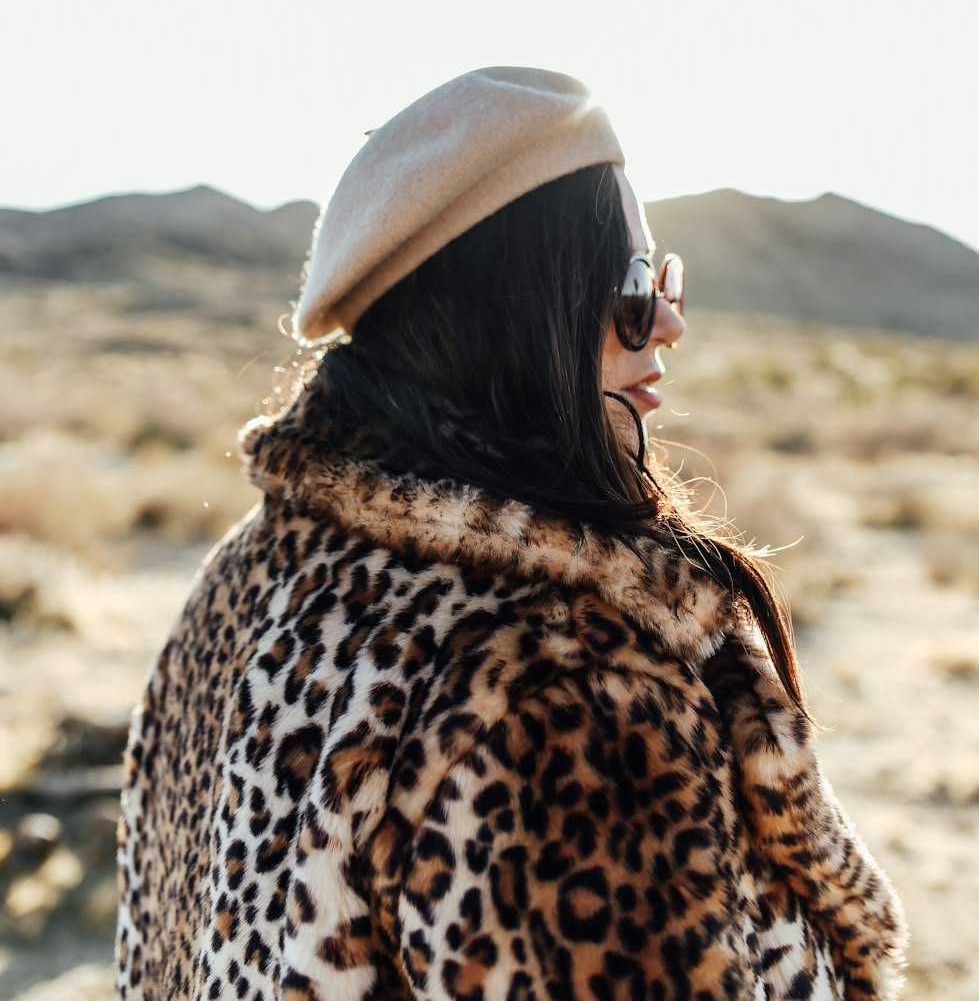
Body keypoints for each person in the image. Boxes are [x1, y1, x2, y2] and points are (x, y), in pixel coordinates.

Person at [116, 67, 906, 1000]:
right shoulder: (566, 687)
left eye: (665, 278)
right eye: (629, 287)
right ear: (510, 312)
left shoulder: (249, 574)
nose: (671, 321)